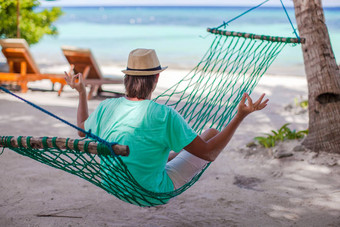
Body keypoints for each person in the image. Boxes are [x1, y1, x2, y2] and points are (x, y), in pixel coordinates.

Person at [65, 48, 268, 194]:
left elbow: (82, 131)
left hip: (114, 183)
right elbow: (209, 153)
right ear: (156, 79)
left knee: (170, 147)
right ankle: (170, 156)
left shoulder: (106, 107)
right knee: (211, 135)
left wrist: (82, 92)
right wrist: (240, 115)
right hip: (150, 191)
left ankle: (169, 156)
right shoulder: (163, 115)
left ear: (127, 79)